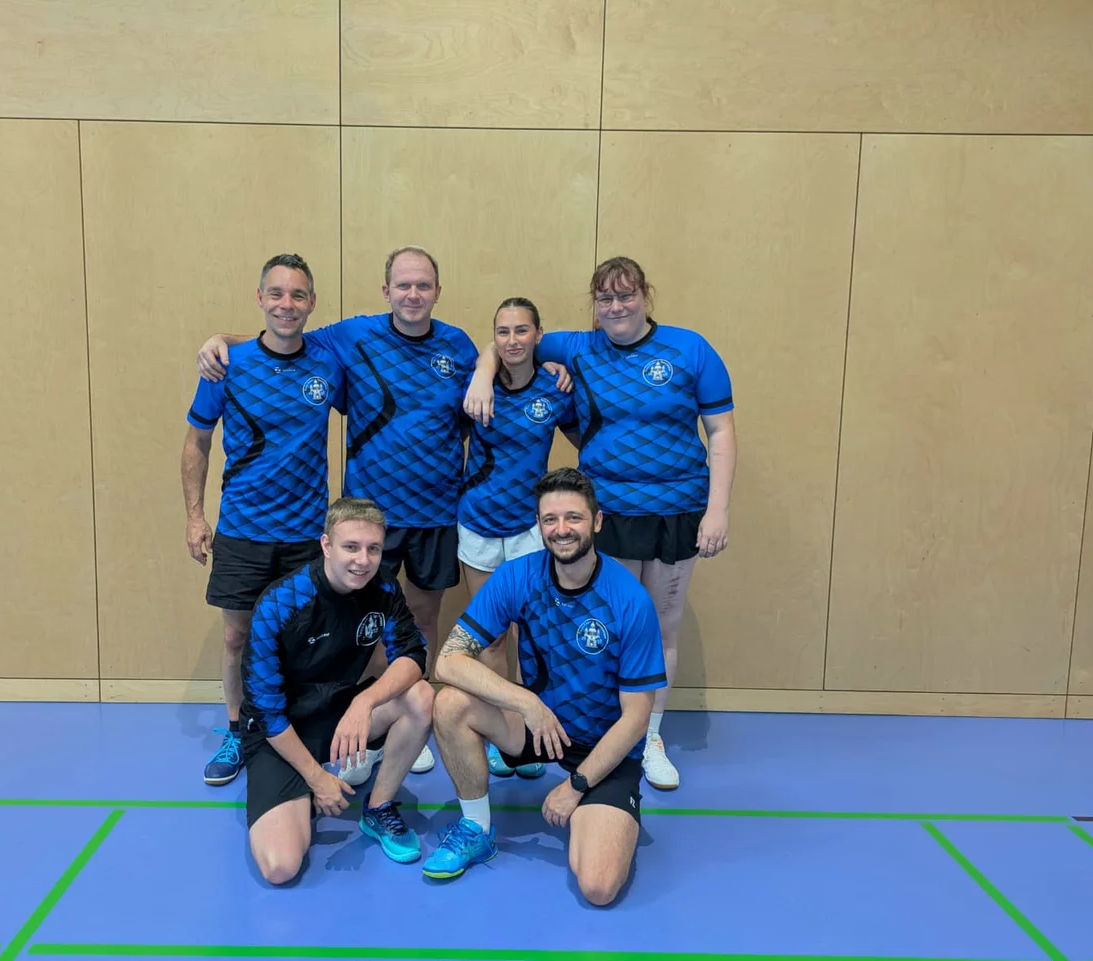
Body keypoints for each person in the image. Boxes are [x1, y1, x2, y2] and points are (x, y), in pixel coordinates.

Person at [197, 247, 566, 776]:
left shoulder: (459, 346)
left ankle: (417, 716)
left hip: (437, 516)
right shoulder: (353, 336)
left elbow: (505, 357)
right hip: (374, 519)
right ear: (386, 290)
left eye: (423, 285)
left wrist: (499, 366)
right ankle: (377, 722)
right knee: (370, 626)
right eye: (403, 285)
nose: (413, 294)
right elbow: (283, 335)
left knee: (422, 619)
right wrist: (221, 340)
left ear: (437, 292)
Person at [463, 256, 736, 791]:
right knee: (611, 626)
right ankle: (609, 733)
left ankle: (648, 735)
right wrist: (482, 371)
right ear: (595, 305)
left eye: (626, 295)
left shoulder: (690, 349)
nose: (616, 306)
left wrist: (718, 509)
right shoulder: (578, 347)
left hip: (678, 509)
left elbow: (721, 432)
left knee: (662, 624)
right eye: (605, 298)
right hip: (607, 511)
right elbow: (509, 342)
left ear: (645, 296)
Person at [423, 468, 666, 906]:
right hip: (540, 726)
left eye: (573, 517)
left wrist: (576, 786)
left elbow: (636, 719)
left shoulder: (629, 600)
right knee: (450, 704)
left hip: (603, 745)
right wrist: (526, 703)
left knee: (598, 887)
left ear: (597, 521)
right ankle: (476, 829)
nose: (561, 529)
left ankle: (603, 810)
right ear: (538, 524)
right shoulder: (517, 577)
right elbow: (448, 660)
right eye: (550, 519)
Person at [182, 253, 346, 786]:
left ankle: (297, 734)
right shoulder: (227, 365)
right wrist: (195, 517)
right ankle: (237, 730)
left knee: (303, 640)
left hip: (306, 534)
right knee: (237, 638)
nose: (286, 304)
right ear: (260, 298)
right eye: (276, 293)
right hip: (241, 531)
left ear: (312, 302)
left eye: (297, 295)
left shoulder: (328, 362)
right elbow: (197, 442)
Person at [240, 497, 435, 883]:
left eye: (373, 549)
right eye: (351, 547)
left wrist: (365, 702)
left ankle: (378, 807)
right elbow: (267, 713)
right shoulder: (280, 603)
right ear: (326, 545)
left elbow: (413, 656)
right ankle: (314, 779)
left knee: (421, 697)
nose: (363, 560)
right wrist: (317, 780)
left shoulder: (383, 587)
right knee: (280, 867)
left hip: (340, 710)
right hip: (281, 732)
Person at [457, 297, 576, 779]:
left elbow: (587, 440)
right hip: (478, 523)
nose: (512, 340)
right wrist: (482, 372)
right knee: (491, 637)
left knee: (533, 635)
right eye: (502, 332)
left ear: (538, 335)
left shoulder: (555, 387)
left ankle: (529, 734)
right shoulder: (475, 385)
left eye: (521, 330)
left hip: (530, 528)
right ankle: (499, 734)